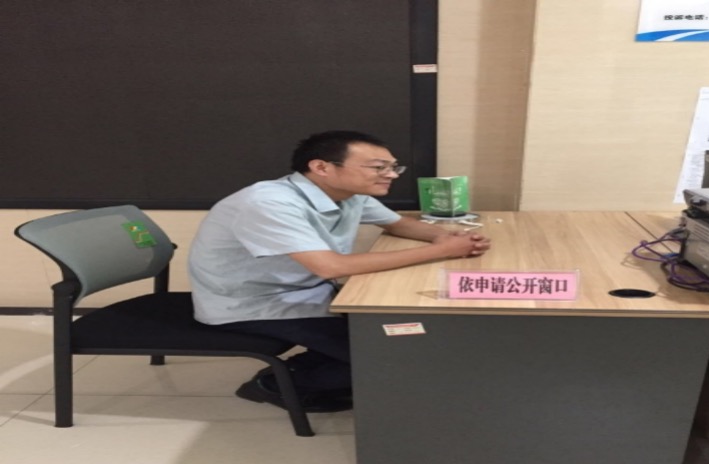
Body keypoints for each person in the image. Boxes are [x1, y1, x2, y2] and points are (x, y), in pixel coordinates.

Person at [187, 130, 491, 412]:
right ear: (322, 167)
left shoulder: (348, 194)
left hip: (309, 291)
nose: (391, 175)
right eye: (378, 167)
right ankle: (273, 384)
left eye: (393, 167)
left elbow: (398, 224)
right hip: (252, 305)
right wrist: (443, 250)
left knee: (405, 334)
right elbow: (330, 267)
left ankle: (316, 367)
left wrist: (444, 237)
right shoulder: (269, 202)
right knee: (392, 353)